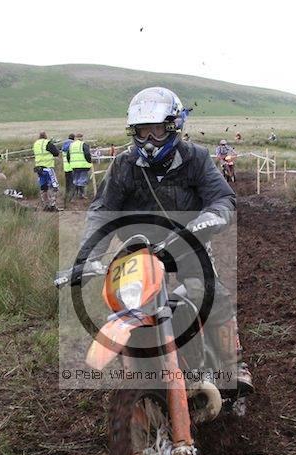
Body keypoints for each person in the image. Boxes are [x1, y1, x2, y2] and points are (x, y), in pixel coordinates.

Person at [78, 87, 253, 395]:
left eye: (157, 130)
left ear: (173, 127)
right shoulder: (123, 165)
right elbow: (102, 210)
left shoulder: (196, 158)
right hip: (139, 252)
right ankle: (138, 374)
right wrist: (86, 257)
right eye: (142, 131)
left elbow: (222, 198)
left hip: (188, 244)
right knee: (125, 306)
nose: (149, 139)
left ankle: (233, 364)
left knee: (210, 293)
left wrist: (209, 218)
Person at [33, 131, 60, 211]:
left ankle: (45, 205)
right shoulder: (47, 143)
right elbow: (56, 153)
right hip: (48, 167)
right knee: (54, 187)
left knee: (43, 187)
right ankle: (52, 205)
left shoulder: (36, 144)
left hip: (39, 168)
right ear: (46, 136)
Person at [67, 133, 92, 200]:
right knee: (82, 181)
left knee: (75, 180)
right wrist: (89, 161)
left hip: (74, 166)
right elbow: (87, 154)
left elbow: (68, 156)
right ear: (81, 137)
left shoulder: (71, 145)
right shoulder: (83, 144)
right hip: (83, 165)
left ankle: (73, 196)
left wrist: (71, 163)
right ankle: (81, 195)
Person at [61, 133, 75, 200]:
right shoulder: (72, 144)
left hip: (66, 167)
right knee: (73, 183)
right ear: (73, 138)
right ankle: (72, 197)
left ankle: (66, 195)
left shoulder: (64, 145)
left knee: (67, 183)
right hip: (72, 166)